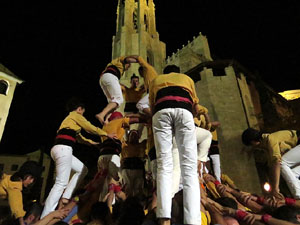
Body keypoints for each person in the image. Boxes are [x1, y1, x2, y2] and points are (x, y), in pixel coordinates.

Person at [149, 65, 206, 225]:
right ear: (177, 72)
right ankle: (193, 221)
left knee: (164, 166)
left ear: (165, 73)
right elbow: (195, 107)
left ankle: (164, 218)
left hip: (161, 112)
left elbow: (153, 107)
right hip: (184, 112)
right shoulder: (186, 79)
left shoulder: (156, 80)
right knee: (188, 168)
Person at [41, 97, 115, 218]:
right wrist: (106, 134)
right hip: (64, 149)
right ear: (79, 109)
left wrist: (93, 144)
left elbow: (81, 138)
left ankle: (65, 197)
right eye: (83, 112)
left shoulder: (70, 121)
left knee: (82, 169)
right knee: (61, 183)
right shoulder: (75, 115)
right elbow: (89, 127)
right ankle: (46, 215)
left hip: (59, 149)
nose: (82, 115)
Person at [242, 128, 300, 199]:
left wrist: (275, 189)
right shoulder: (266, 148)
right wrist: (272, 190)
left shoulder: (271, 139)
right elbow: (273, 168)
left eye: (251, 144)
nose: (253, 147)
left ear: (253, 141)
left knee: (282, 163)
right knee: (292, 174)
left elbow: (276, 162)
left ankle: (298, 196)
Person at [95, 56, 139, 124]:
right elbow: (127, 59)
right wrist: (138, 60)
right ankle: (101, 114)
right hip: (110, 76)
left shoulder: (113, 65)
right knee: (119, 99)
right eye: (128, 66)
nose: (128, 68)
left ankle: (106, 120)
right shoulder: (119, 61)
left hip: (103, 79)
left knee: (112, 103)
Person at [0, 160, 42, 225]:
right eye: (31, 178)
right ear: (24, 174)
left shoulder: (11, 179)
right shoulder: (15, 184)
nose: (31, 181)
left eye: (33, 180)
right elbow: (16, 202)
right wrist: (21, 222)